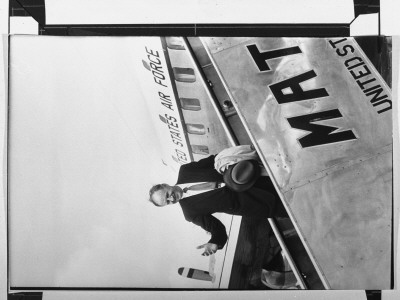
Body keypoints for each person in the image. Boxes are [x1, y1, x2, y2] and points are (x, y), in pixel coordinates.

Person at [148, 145, 287, 256]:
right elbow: (217, 229)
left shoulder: (186, 170)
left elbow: (215, 159)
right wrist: (215, 242)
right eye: (167, 201)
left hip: (255, 174)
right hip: (258, 203)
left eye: (167, 194)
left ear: (166, 185)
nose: (171, 198)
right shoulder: (190, 213)